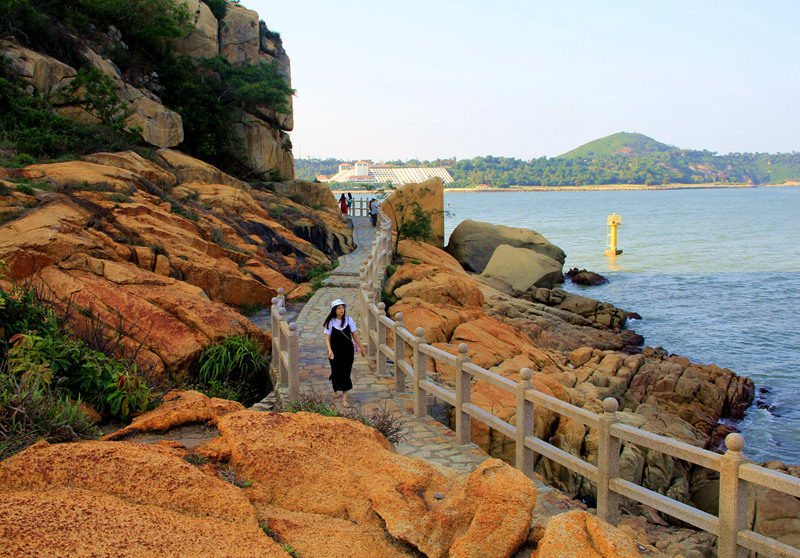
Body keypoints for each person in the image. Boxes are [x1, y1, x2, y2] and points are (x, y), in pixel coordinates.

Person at [324, 298, 365, 407]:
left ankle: (344, 398)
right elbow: (327, 338)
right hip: (335, 351)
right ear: (334, 310)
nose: (341, 310)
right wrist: (329, 350)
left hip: (347, 351)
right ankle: (335, 388)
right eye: (339, 308)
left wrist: (361, 347)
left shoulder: (349, 320)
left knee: (346, 372)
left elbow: (355, 335)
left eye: (342, 308)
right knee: (336, 371)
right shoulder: (330, 322)